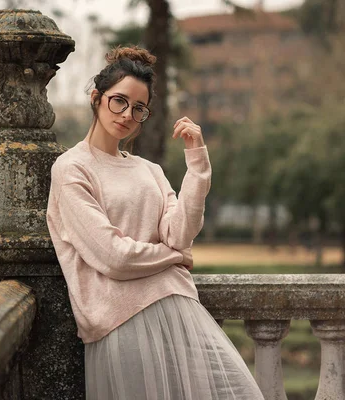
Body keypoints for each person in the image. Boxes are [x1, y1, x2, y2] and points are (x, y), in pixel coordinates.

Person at [46, 46, 264, 400]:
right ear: (96, 98)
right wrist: (173, 258)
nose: (127, 114)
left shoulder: (151, 171)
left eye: (138, 108)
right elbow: (113, 256)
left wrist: (196, 165)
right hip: (120, 323)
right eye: (119, 101)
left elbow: (180, 234)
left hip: (178, 308)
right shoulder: (72, 168)